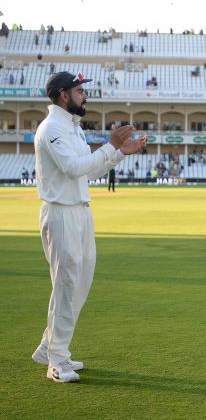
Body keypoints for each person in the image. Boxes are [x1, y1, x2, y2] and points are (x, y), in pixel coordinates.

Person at [31, 71, 146, 383]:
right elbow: (72, 168)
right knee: (67, 285)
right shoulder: (51, 128)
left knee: (78, 283)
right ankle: (56, 361)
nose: (85, 96)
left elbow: (89, 173)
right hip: (60, 213)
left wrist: (121, 153)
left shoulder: (72, 128)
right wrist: (110, 145)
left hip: (80, 212)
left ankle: (49, 347)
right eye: (80, 91)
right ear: (63, 94)